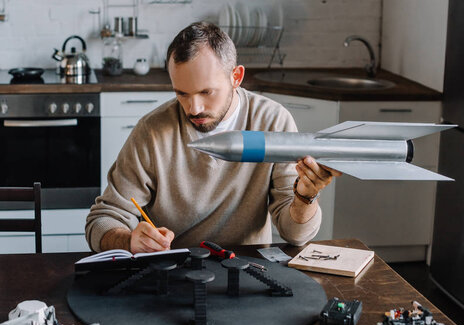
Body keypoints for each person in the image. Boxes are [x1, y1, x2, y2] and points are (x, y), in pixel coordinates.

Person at [86, 21, 341, 254]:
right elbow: (101, 221)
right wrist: (128, 239)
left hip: (247, 269)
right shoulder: (152, 131)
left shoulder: (273, 121)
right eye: (182, 93)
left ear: (236, 77)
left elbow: (296, 236)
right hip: (173, 270)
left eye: (206, 92)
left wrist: (305, 197)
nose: (193, 108)